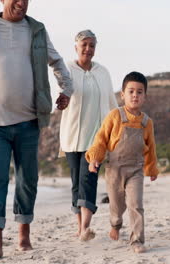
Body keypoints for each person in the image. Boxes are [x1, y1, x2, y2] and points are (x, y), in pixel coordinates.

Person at [0, 0, 73, 260]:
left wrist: (66, 89)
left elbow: (56, 60)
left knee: (28, 178)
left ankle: (23, 235)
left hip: (29, 120)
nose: (21, 2)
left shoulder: (37, 30)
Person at [86, 71, 159, 253]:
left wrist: (152, 168)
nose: (135, 95)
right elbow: (101, 139)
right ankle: (115, 224)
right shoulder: (115, 116)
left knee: (136, 204)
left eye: (139, 92)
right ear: (123, 94)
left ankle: (137, 240)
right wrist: (95, 157)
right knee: (117, 205)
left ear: (145, 96)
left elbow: (151, 147)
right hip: (115, 169)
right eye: (131, 91)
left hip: (136, 170)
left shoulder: (146, 122)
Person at [59, 30, 118, 241]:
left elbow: (112, 103)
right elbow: (59, 93)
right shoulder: (66, 70)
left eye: (92, 45)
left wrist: (118, 128)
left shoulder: (103, 72)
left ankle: (85, 227)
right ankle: (80, 228)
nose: (88, 49)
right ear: (76, 47)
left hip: (96, 138)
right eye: (84, 44)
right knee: (76, 182)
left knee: (88, 178)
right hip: (71, 136)